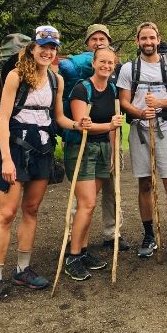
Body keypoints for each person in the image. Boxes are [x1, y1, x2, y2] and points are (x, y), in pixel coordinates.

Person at [0, 25, 83, 306]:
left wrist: (77, 124)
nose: (48, 52)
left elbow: (59, 117)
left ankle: (22, 270)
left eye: (53, 48)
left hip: (43, 149)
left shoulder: (56, 81)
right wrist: (6, 159)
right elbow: (2, 120)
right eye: (43, 46)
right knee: (7, 213)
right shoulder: (15, 76)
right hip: (15, 148)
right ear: (33, 48)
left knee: (32, 210)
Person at [117, 21, 167, 260]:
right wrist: (140, 112)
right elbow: (124, 101)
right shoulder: (129, 69)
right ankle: (149, 235)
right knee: (144, 184)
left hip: (166, 128)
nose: (148, 42)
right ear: (137, 41)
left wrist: (159, 104)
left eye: (152, 38)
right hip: (140, 129)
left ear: (158, 39)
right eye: (144, 38)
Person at [63, 47, 124, 281]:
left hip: (102, 149)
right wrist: (110, 126)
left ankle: (84, 250)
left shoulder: (111, 89)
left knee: (90, 204)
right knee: (86, 204)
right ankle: (73, 255)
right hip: (81, 148)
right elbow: (82, 124)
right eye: (102, 62)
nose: (106, 66)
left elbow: (114, 127)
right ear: (94, 62)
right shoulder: (82, 89)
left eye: (110, 63)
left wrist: (111, 152)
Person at [80, 24, 129, 251]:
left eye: (102, 39)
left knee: (112, 188)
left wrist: (113, 146)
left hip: (110, 140)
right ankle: (76, 237)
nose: (99, 42)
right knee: (85, 194)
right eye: (94, 39)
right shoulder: (78, 74)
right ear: (88, 44)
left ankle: (112, 233)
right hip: (84, 142)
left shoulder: (112, 81)